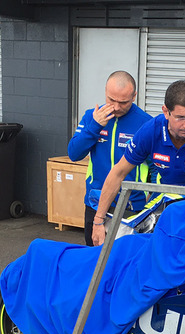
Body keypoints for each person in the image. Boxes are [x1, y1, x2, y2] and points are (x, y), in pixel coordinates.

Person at [92, 80, 185, 246]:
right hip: (164, 207)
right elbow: (118, 173)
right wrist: (98, 221)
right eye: (180, 118)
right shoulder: (150, 131)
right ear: (166, 111)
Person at [67, 71, 153, 246]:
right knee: (94, 263)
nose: (115, 107)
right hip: (95, 204)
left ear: (134, 96)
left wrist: (149, 203)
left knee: (126, 264)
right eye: (111, 99)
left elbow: (158, 169)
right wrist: (95, 127)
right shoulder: (92, 116)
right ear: (105, 91)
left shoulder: (146, 124)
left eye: (123, 102)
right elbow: (74, 154)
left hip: (131, 207)